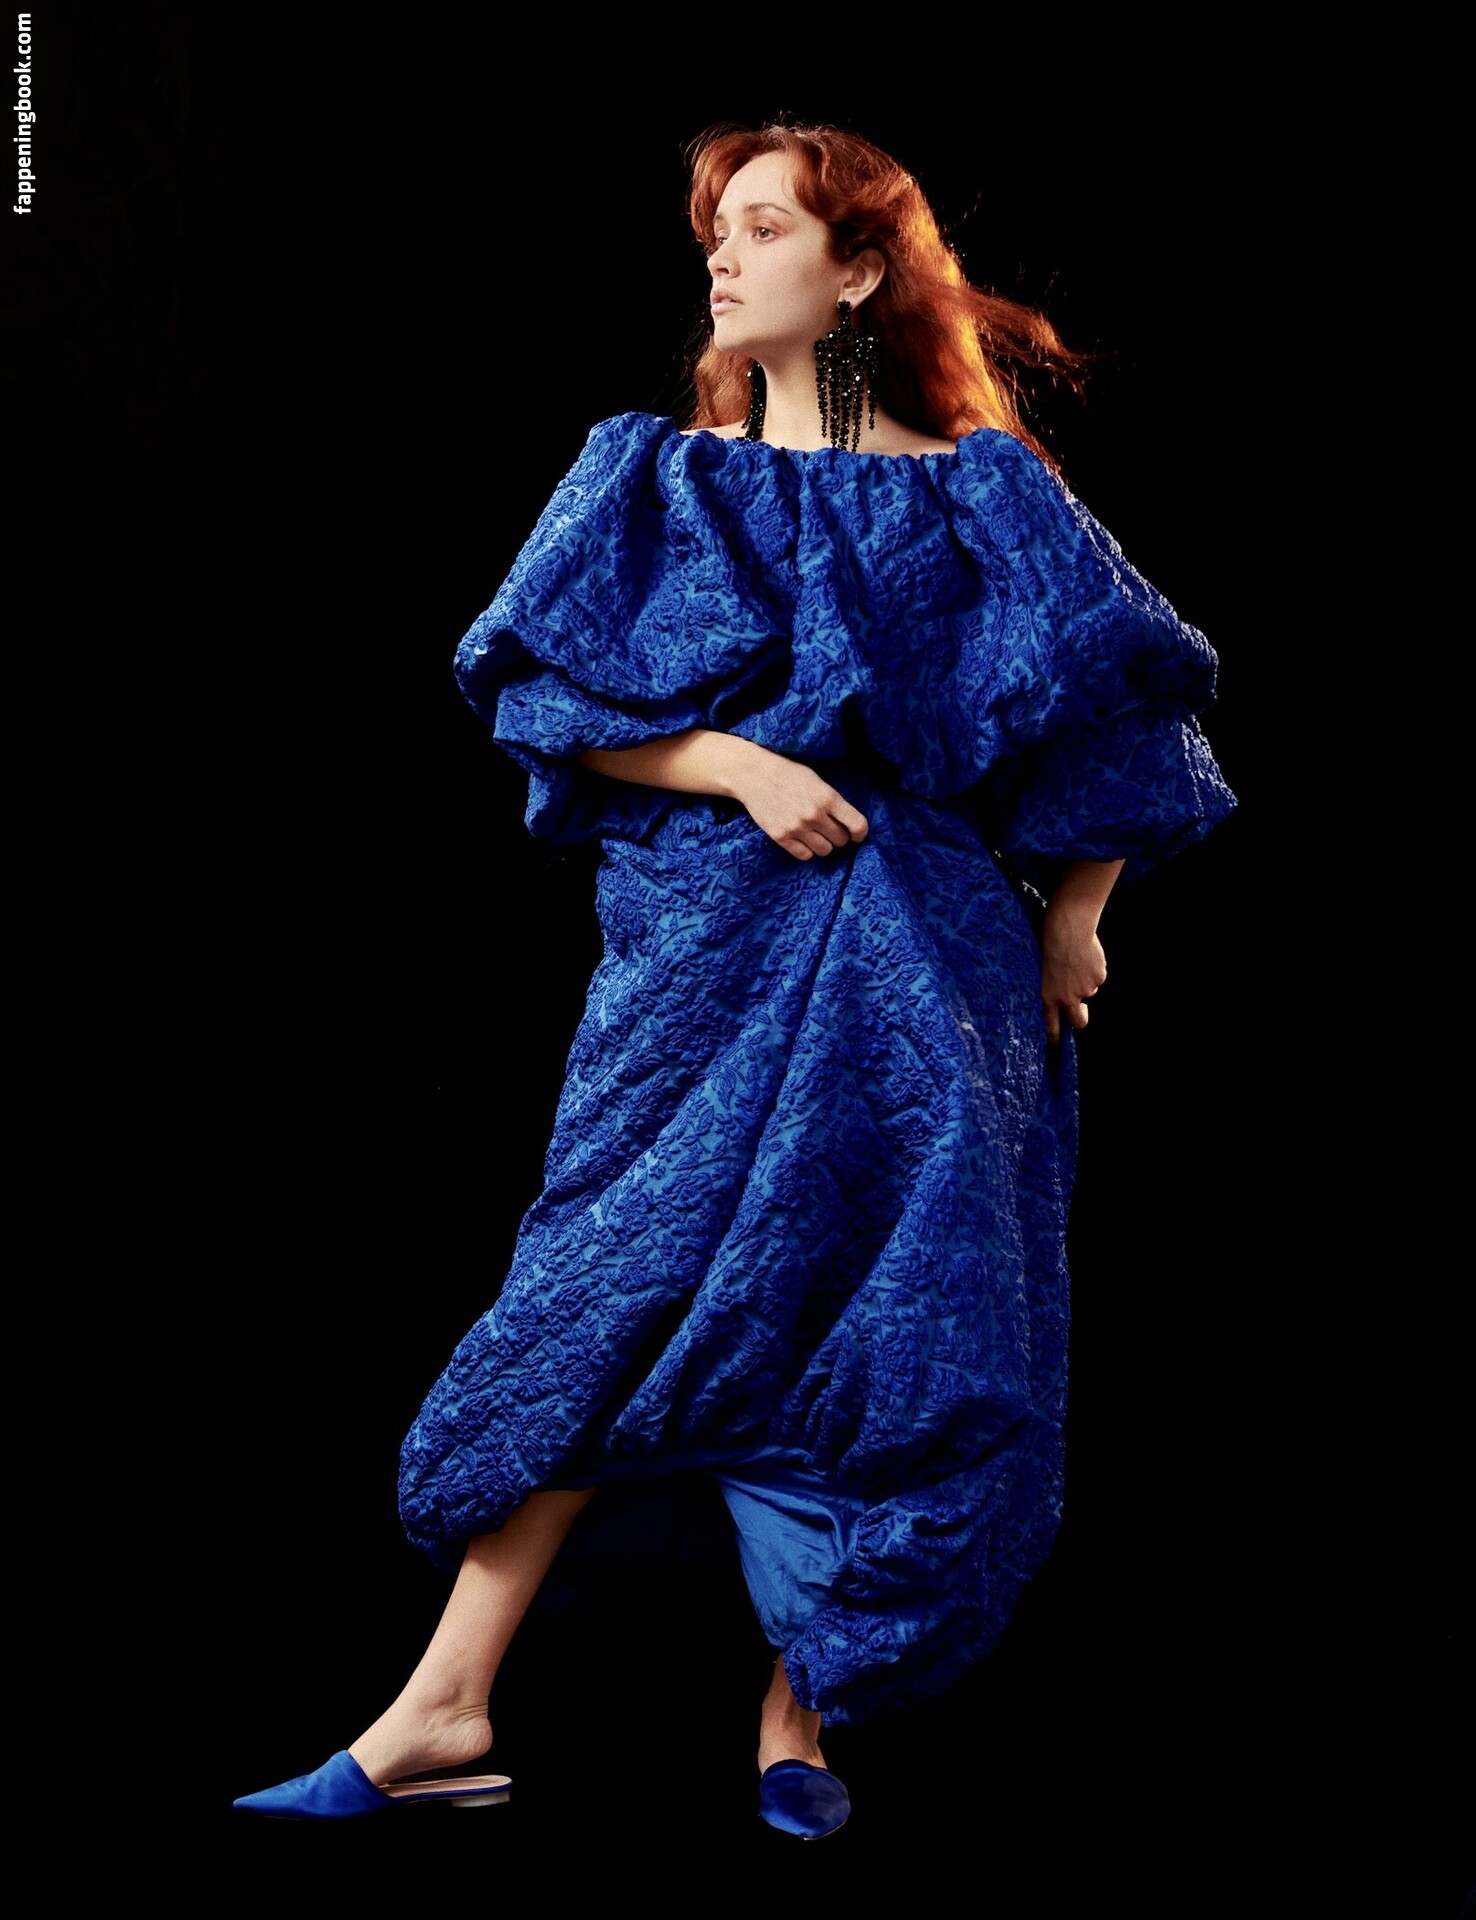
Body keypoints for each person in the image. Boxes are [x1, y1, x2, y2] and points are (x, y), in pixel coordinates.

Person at [234, 117, 1236, 1839]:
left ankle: (802, 1713)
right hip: (699, 963)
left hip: (929, 982)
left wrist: (1078, 917)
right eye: (718, 227)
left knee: (898, 1326)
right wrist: (739, 766)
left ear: (858, 273)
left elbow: (1133, 714)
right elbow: (543, 699)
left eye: (764, 227)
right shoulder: (651, 476)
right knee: (598, 1295)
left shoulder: (983, 488)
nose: (722, 253)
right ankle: (442, 1704)